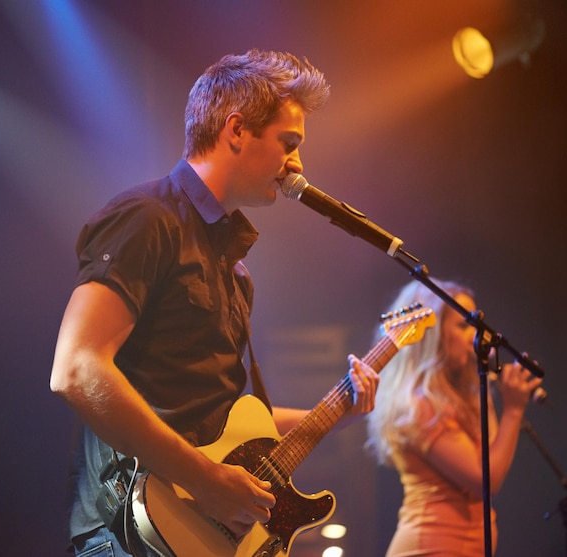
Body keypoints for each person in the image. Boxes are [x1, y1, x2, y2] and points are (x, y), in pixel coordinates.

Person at [50, 49, 380, 556]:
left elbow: (227, 423)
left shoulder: (234, 269)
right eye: (289, 144)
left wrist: (340, 409)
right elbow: (75, 368)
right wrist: (202, 478)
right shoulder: (147, 218)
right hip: (128, 531)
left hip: (192, 534)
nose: (298, 165)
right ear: (236, 130)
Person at [365, 279, 542, 556]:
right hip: (430, 547)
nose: (476, 336)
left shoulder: (459, 396)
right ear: (433, 337)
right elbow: (487, 480)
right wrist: (514, 410)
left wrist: (479, 381)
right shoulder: (419, 406)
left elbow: (488, 452)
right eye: (463, 326)